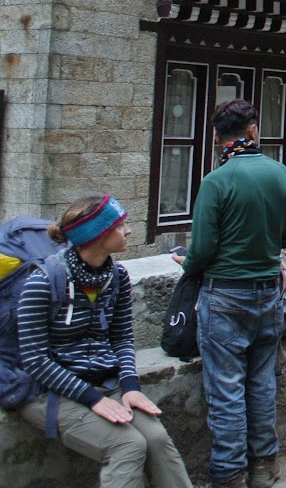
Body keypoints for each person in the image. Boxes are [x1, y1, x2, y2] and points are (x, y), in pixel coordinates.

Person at [16, 195, 193, 488]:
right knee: (128, 445)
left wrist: (131, 387)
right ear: (97, 235)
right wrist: (92, 399)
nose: (129, 231)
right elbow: (34, 360)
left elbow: (122, 337)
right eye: (121, 225)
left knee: (157, 439)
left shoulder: (116, 276)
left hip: (104, 380)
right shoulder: (44, 281)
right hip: (48, 390)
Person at [180, 99, 286, 488]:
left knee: (226, 388)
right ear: (252, 131)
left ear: (217, 138)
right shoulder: (280, 174)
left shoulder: (216, 181)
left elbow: (201, 250)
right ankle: (264, 465)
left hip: (225, 296)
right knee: (262, 382)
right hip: (267, 295)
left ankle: (228, 473)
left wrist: (188, 265)